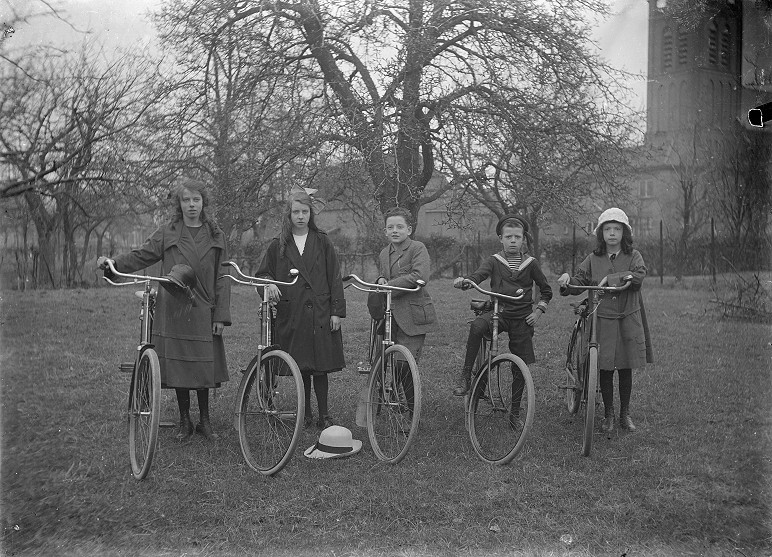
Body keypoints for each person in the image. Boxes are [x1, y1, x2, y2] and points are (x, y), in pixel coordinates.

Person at [97, 177, 231, 441]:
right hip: (174, 307)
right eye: (186, 200)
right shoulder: (168, 232)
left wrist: (221, 315)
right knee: (179, 364)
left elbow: (223, 276)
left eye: (196, 199)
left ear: (204, 203)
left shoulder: (216, 235)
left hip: (204, 307)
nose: (191, 205)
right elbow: (141, 255)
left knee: (202, 365)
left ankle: (204, 421)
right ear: (179, 204)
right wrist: (113, 264)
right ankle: (185, 421)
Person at [557, 207, 654, 432]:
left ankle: (625, 413)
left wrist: (611, 279)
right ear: (601, 233)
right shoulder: (593, 258)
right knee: (606, 367)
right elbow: (580, 280)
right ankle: (609, 413)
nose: (612, 233)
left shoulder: (633, 256)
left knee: (626, 366)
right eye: (607, 229)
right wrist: (567, 281)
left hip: (627, 317)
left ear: (624, 233)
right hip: (602, 318)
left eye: (617, 229)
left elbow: (638, 277)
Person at [258, 188, 346, 429]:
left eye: (304, 211)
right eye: (296, 212)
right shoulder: (279, 245)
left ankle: (324, 414)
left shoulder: (322, 240)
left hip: (320, 312)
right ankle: (305, 413)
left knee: (321, 367)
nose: (300, 216)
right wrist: (269, 285)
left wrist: (336, 311)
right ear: (289, 215)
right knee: (302, 366)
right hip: (293, 313)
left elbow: (334, 277)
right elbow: (264, 274)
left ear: (310, 214)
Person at [452, 215, 552, 416]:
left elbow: (546, 290)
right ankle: (466, 374)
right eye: (508, 237)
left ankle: (515, 410)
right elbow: (479, 275)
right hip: (499, 312)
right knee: (478, 325)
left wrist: (538, 312)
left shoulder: (531, 263)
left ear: (523, 239)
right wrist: (466, 281)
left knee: (520, 364)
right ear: (501, 238)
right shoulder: (494, 261)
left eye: (517, 237)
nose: (513, 241)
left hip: (522, 317)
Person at [376, 207, 437, 412]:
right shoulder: (385, 253)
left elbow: (419, 276)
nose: (395, 231)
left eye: (399, 227)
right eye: (390, 227)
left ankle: (412, 410)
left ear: (409, 229)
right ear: (385, 231)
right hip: (390, 315)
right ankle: (396, 398)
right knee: (386, 360)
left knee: (405, 364)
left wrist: (389, 285)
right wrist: (381, 280)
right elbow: (383, 275)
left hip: (413, 315)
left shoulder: (417, 248)